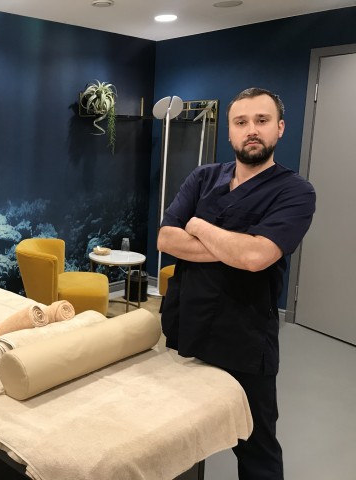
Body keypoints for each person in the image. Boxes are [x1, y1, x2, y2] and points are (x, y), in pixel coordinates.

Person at [157, 87, 316, 480]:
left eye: (262, 120)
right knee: (180, 432)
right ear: (229, 132)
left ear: (280, 128)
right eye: (241, 122)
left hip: (245, 337)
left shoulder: (295, 192)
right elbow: (166, 239)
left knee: (257, 446)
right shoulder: (203, 177)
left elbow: (256, 258)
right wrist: (237, 245)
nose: (251, 130)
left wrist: (197, 226)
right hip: (188, 324)